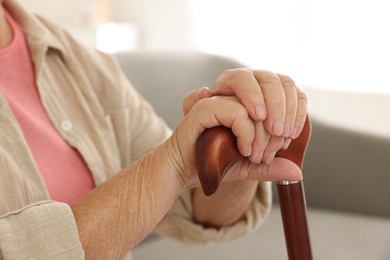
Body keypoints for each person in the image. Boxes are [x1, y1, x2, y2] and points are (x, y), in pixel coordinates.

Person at [0, 0, 307, 259]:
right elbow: (166, 169)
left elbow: (192, 206)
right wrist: (170, 163)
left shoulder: (80, 61)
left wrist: (238, 146)